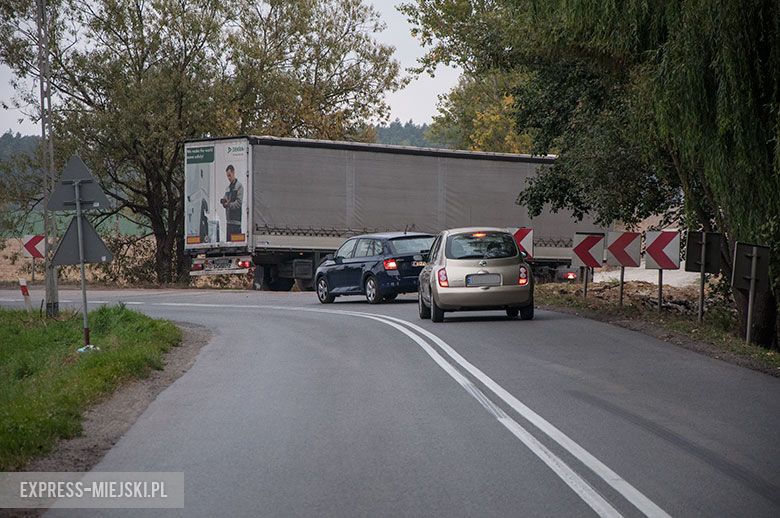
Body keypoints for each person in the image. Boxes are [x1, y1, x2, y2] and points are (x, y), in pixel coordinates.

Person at [220, 165, 243, 240]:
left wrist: (228, 204)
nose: (229, 178)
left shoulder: (239, 186)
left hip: (236, 223)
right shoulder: (227, 188)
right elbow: (226, 203)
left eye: (229, 175)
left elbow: (239, 203)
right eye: (227, 176)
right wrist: (224, 202)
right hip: (229, 222)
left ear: (233, 173)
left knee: (237, 244)